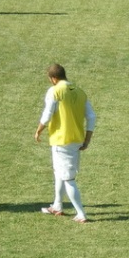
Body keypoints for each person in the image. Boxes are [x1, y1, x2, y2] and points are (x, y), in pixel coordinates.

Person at [35, 64, 96, 224]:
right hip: (76, 140)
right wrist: (87, 138)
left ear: (53, 78)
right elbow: (91, 116)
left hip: (61, 141)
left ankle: (81, 213)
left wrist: (39, 130)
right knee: (59, 173)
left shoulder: (54, 91)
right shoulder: (80, 92)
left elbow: (47, 114)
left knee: (68, 179)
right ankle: (57, 205)